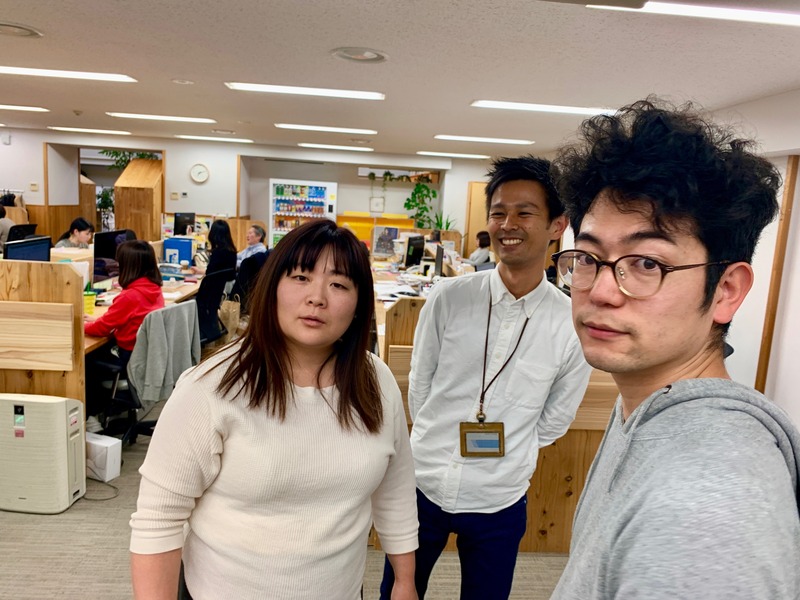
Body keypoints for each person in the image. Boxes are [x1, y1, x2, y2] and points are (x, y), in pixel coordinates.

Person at [550, 98, 800, 598]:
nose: (601, 290)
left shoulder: (706, 509)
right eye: (589, 258)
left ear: (726, 290)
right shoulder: (645, 408)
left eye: (647, 263)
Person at [130, 219, 419, 600]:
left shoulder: (375, 381)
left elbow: (396, 489)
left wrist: (404, 581)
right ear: (273, 287)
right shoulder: (211, 387)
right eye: (300, 277)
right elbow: (158, 520)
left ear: (358, 303)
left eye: (338, 284)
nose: (317, 297)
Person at [381, 156, 592, 599]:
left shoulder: (570, 321)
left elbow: (555, 419)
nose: (507, 224)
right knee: (397, 592)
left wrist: (512, 447)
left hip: (499, 495)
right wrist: (439, 434)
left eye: (524, 213)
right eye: (498, 213)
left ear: (557, 226)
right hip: (424, 481)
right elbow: (420, 386)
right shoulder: (449, 297)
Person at [84, 240, 165, 365]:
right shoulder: (155, 288)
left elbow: (101, 329)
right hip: (146, 353)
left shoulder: (129, 296)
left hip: (129, 355)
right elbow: (124, 319)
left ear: (126, 266)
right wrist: (96, 320)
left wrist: (81, 326)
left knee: (88, 357)